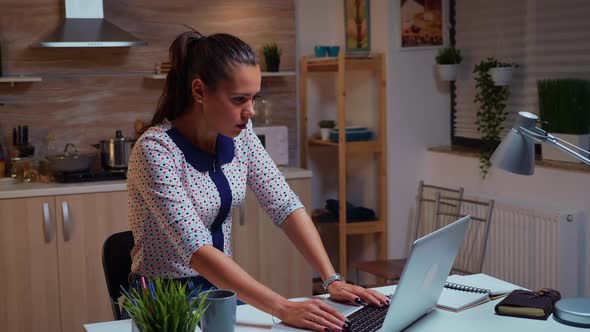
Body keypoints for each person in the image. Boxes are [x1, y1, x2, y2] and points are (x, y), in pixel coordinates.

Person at [127, 30, 389, 332]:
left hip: (219, 293)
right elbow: (196, 250)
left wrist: (332, 279)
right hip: (164, 301)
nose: (250, 111)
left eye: (253, 98)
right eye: (239, 99)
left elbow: (285, 204)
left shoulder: (241, 135)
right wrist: (282, 307)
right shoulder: (155, 150)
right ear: (199, 91)